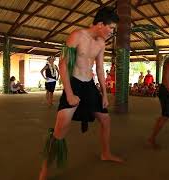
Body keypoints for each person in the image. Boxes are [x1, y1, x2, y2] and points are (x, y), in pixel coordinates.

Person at [39, 7, 122, 180]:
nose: (112, 33)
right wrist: (69, 94)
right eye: (111, 28)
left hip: (90, 85)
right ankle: (45, 169)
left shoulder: (101, 43)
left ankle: (105, 153)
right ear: (100, 24)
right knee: (60, 128)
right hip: (74, 84)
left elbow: (99, 68)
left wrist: (104, 94)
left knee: (106, 119)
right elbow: (63, 64)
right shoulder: (77, 35)